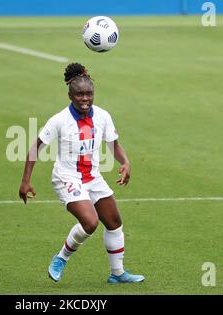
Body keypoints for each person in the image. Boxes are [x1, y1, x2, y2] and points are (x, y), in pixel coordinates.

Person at [19, 63, 144, 283]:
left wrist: (126, 162)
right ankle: (61, 258)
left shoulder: (103, 116)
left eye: (89, 94)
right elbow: (35, 148)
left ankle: (117, 274)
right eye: (79, 94)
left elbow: (114, 144)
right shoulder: (59, 120)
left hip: (93, 178)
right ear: (70, 95)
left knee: (114, 222)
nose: (84, 98)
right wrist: (25, 181)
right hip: (67, 178)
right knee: (90, 222)